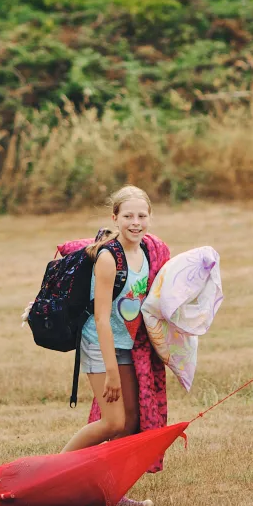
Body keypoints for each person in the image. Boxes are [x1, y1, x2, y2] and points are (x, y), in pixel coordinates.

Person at [61, 186, 163, 457]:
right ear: (115, 218)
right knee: (113, 422)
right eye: (128, 216)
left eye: (142, 216)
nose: (136, 223)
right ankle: (56, 468)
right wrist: (112, 373)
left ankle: (112, 491)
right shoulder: (108, 257)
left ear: (150, 217)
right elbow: (101, 318)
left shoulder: (147, 253)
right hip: (98, 343)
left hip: (126, 345)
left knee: (129, 424)